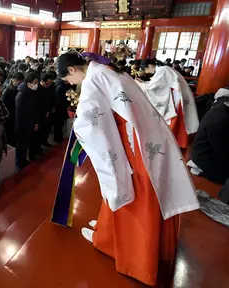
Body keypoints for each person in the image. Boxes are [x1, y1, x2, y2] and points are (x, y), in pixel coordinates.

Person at [54, 52, 199, 286]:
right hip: (142, 132)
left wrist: (78, 125)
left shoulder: (93, 78)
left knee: (130, 191)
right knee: (134, 190)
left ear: (72, 70)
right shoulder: (107, 69)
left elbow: (89, 122)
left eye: (67, 80)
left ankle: (133, 255)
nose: (70, 84)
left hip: (132, 142)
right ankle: (106, 233)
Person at [137, 59, 199, 148]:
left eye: (145, 69)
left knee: (173, 122)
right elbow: (156, 85)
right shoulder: (164, 69)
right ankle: (175, 142)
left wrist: (139, 84)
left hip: (174, 102)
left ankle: (171, 143)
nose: (146, 72)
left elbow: (151, 88)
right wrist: (143, 83)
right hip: (174, 99)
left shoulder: (163, 70)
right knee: (177, 123)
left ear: (150, 65)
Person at [15, 72, 40, 169]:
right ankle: (19, 162)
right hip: (22, 125)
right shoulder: (21, 95)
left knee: (26, 144)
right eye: (35, 82)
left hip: (30, 123)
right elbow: (21, 115)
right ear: (29, 83)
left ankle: (24, 160)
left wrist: (34, 122)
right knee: (21, 144)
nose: (36, 84)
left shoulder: (31, 93)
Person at [1, 72, 24, 147]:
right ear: (13, 80)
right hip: (9, 117)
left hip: (16, 115)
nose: (20, 84)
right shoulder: (7, 91)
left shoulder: (18, 88)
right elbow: (3, 106)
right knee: (11, 137)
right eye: (19, 82)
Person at [37, 73, 56, 147]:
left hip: (49, 111)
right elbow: (38, 104)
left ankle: (45, 141)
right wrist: (45, 112)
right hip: (41, 114)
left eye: (50, 83)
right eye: (47, 83)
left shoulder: (51, 87)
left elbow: (53, 97)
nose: (48, 85)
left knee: (47, 129)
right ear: (42, 81)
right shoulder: (37, 89)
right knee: (39, 132)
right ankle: (37, 147)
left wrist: (53, 107)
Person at [53, 78, 73, 143]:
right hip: (59, 109)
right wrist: (66, 106)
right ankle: (57, 138)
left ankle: (61, 136)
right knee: (58, 124)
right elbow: (59, 100)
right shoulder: (60, 87)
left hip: (64, 108)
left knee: (62, 123)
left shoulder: (67, 86)